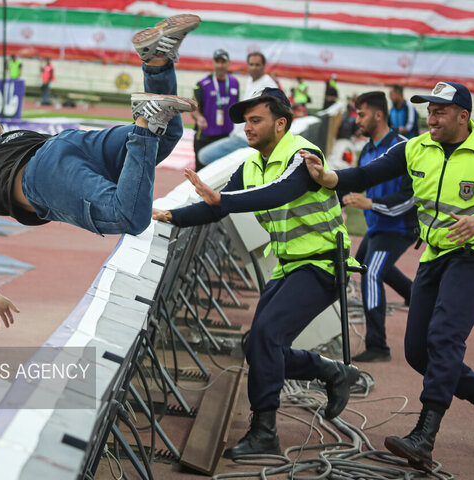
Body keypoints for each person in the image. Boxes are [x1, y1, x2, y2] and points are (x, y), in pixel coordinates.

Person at [302, 81, 474, 471]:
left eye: (440, 111)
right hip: (434, 254)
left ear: (463, 116)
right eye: (428, 110)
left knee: (444, 336)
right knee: (417, 353)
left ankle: (424, 436)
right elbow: (367, 173)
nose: (431, 118)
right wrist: (331, 179)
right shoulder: (415, 147)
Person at [0, 14, 200, 329]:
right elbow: (81, 166)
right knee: (165, 135)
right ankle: (157, 63)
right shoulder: (13, 135)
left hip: (40, 177)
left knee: (129, 218)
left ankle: (143, 119)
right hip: (66, 142)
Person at [152, 88, 359, 459]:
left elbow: (277, 194)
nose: (247, 127)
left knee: (265, 337)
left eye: (256, 120)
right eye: (245, 121)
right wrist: (171, 216)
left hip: (323, 265)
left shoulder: (302, 156)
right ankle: (331, 372)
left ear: (280, 124)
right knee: (255, 345)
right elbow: (217, 210)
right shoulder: (250, 166)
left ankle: (265, 432)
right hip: (290, 266)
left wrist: (224, 199)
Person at [344, 91, 417, 363]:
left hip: (399, 227)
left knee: (371, 272)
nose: (357, 120)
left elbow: (410, 199)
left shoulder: (404, 148)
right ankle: (413, 293)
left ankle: (378, 346)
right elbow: (359, 181)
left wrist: (370, 203)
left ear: (377, 115)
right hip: (378, 226)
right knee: (364, 261)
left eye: (361, 114)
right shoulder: (367, 148)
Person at [196, 51, 279, 166]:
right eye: (251, 64)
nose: (254, 68)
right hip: (224, 133)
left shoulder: (265, 85)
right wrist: (199, 117)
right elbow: (195, 105)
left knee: (204, 156)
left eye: (257, 65)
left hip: (244, 138)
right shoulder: (203, 83)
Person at [191, 49, 239, 170]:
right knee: (201, 172)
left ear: (228, 63)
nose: (220, 65)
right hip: (205, 135)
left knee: (221, 171)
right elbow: (193, 108)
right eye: (217, 62)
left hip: (226, 135)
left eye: (223, 62)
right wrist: (199, 118)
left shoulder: (234, 83)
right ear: (213, 63)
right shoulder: (203, 84)